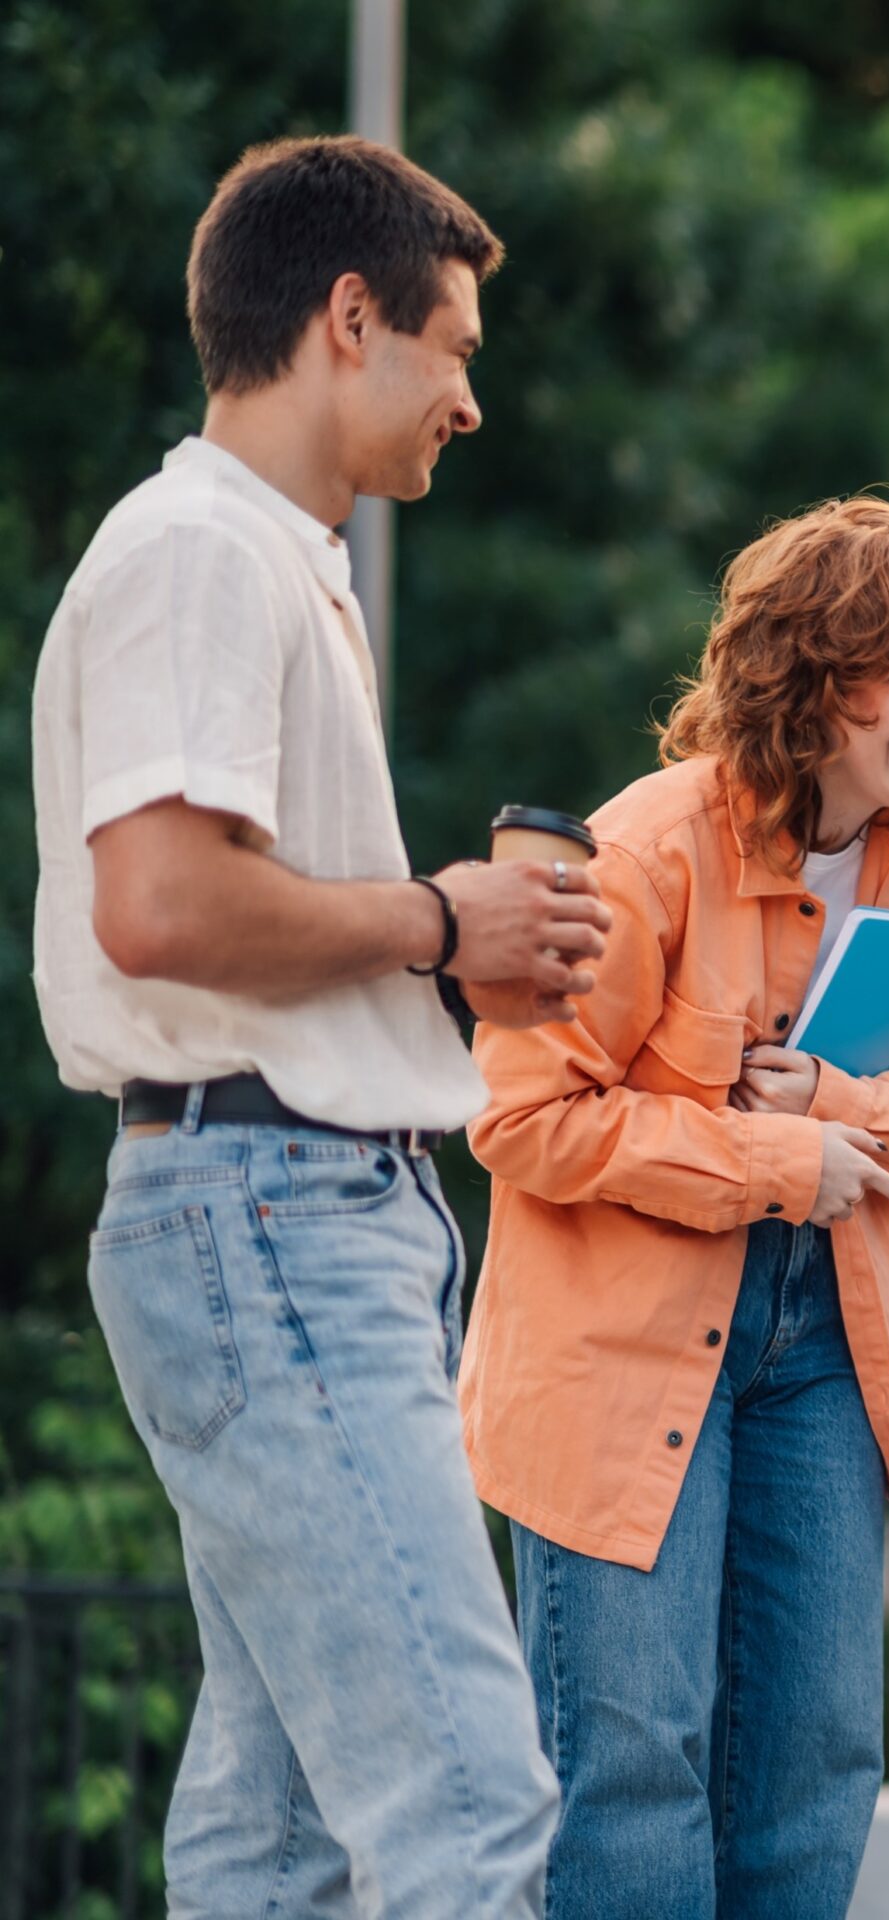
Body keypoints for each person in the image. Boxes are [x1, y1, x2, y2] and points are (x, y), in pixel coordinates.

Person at [30, 137, 595, 1915]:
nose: (469, 403)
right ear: (352, 320)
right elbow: (164, 905)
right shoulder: (203, 549)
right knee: (469, 1806)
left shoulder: (265, 559)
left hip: (289, 1208)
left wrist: (452, 950)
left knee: (268, 1839)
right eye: (456, 351)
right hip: (269, 1210)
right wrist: (443, 923)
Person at [459, 498, 889, 1918]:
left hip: (817, 1344)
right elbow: (524, 1120)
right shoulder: (649, 847)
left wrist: (835, 1108)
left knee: (816, 1757)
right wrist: (781, 1162)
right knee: (634, 1769)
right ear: (806, 676)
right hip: (618, 1349)